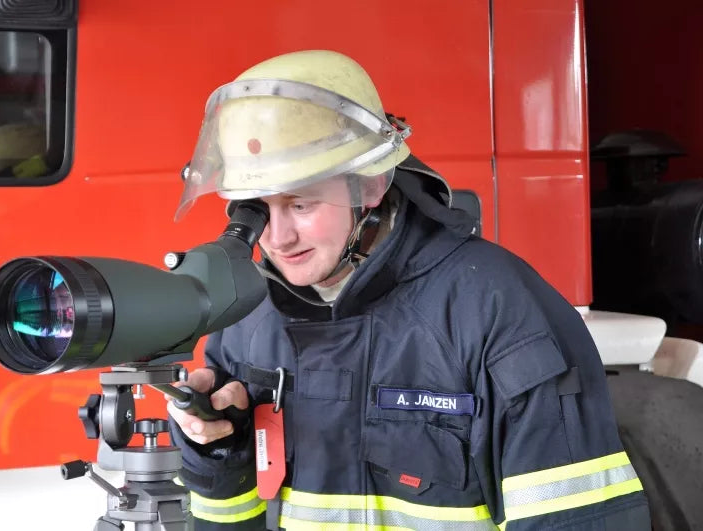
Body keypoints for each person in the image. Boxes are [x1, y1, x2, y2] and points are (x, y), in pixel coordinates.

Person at [167, 49, 650, 530]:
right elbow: (225, 518)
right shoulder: (248, 319)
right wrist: (219, 450)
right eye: (256, 208)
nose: (277, 238)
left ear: (371, 186)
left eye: (300, 204)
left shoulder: (495, 307)